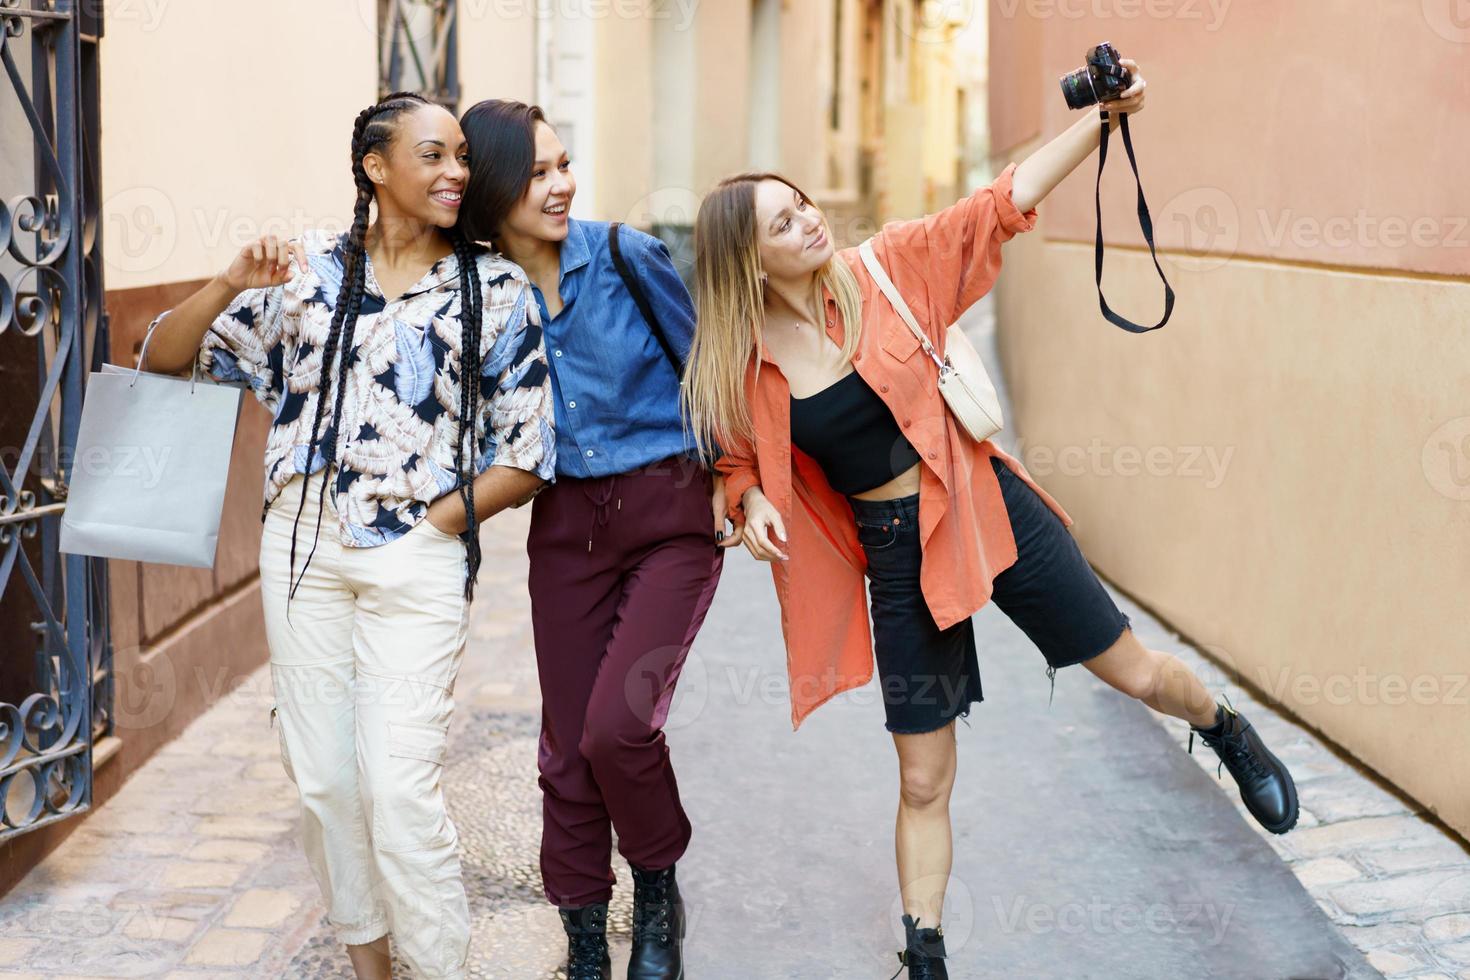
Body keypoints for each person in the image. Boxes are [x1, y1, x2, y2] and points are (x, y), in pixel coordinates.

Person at [682, 61, 1298, 978]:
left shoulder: (888, 269)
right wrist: (752, 496)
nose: (809, 217)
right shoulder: (740, 363)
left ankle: (1223, 729)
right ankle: (923, 956)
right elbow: (733, 457)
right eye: (783, 220)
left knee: (1131, 672)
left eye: (802, 202)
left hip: (983, 507)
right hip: (894, 558)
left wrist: (1102, 121)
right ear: (747, 259)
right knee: (923, 778)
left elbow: (997, 203)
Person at [140, 92, 556, 980]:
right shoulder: (305, 278)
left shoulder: (496, 287)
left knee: (399, 790)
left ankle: (439, 967)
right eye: (434, 156)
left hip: (416, 557)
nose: (457, 174)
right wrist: (224, 284)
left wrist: (435, 525)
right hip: (299, 550)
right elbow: (162, 358)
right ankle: (370, 967)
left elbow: (527, 452)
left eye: (460, 159)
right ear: (377, 168)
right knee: (326, 784)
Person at [458, 99, 733, 980]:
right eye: (537, 172)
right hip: (566, 528)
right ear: (494, 190)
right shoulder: (479, 294)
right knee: (568, 744)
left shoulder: (625, 254)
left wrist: (741, 480)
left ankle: (655, 889)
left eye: (564, 163)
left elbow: (708, 372)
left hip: (669, 518)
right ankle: (583, 939)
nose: (561, 183)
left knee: (620, 728)